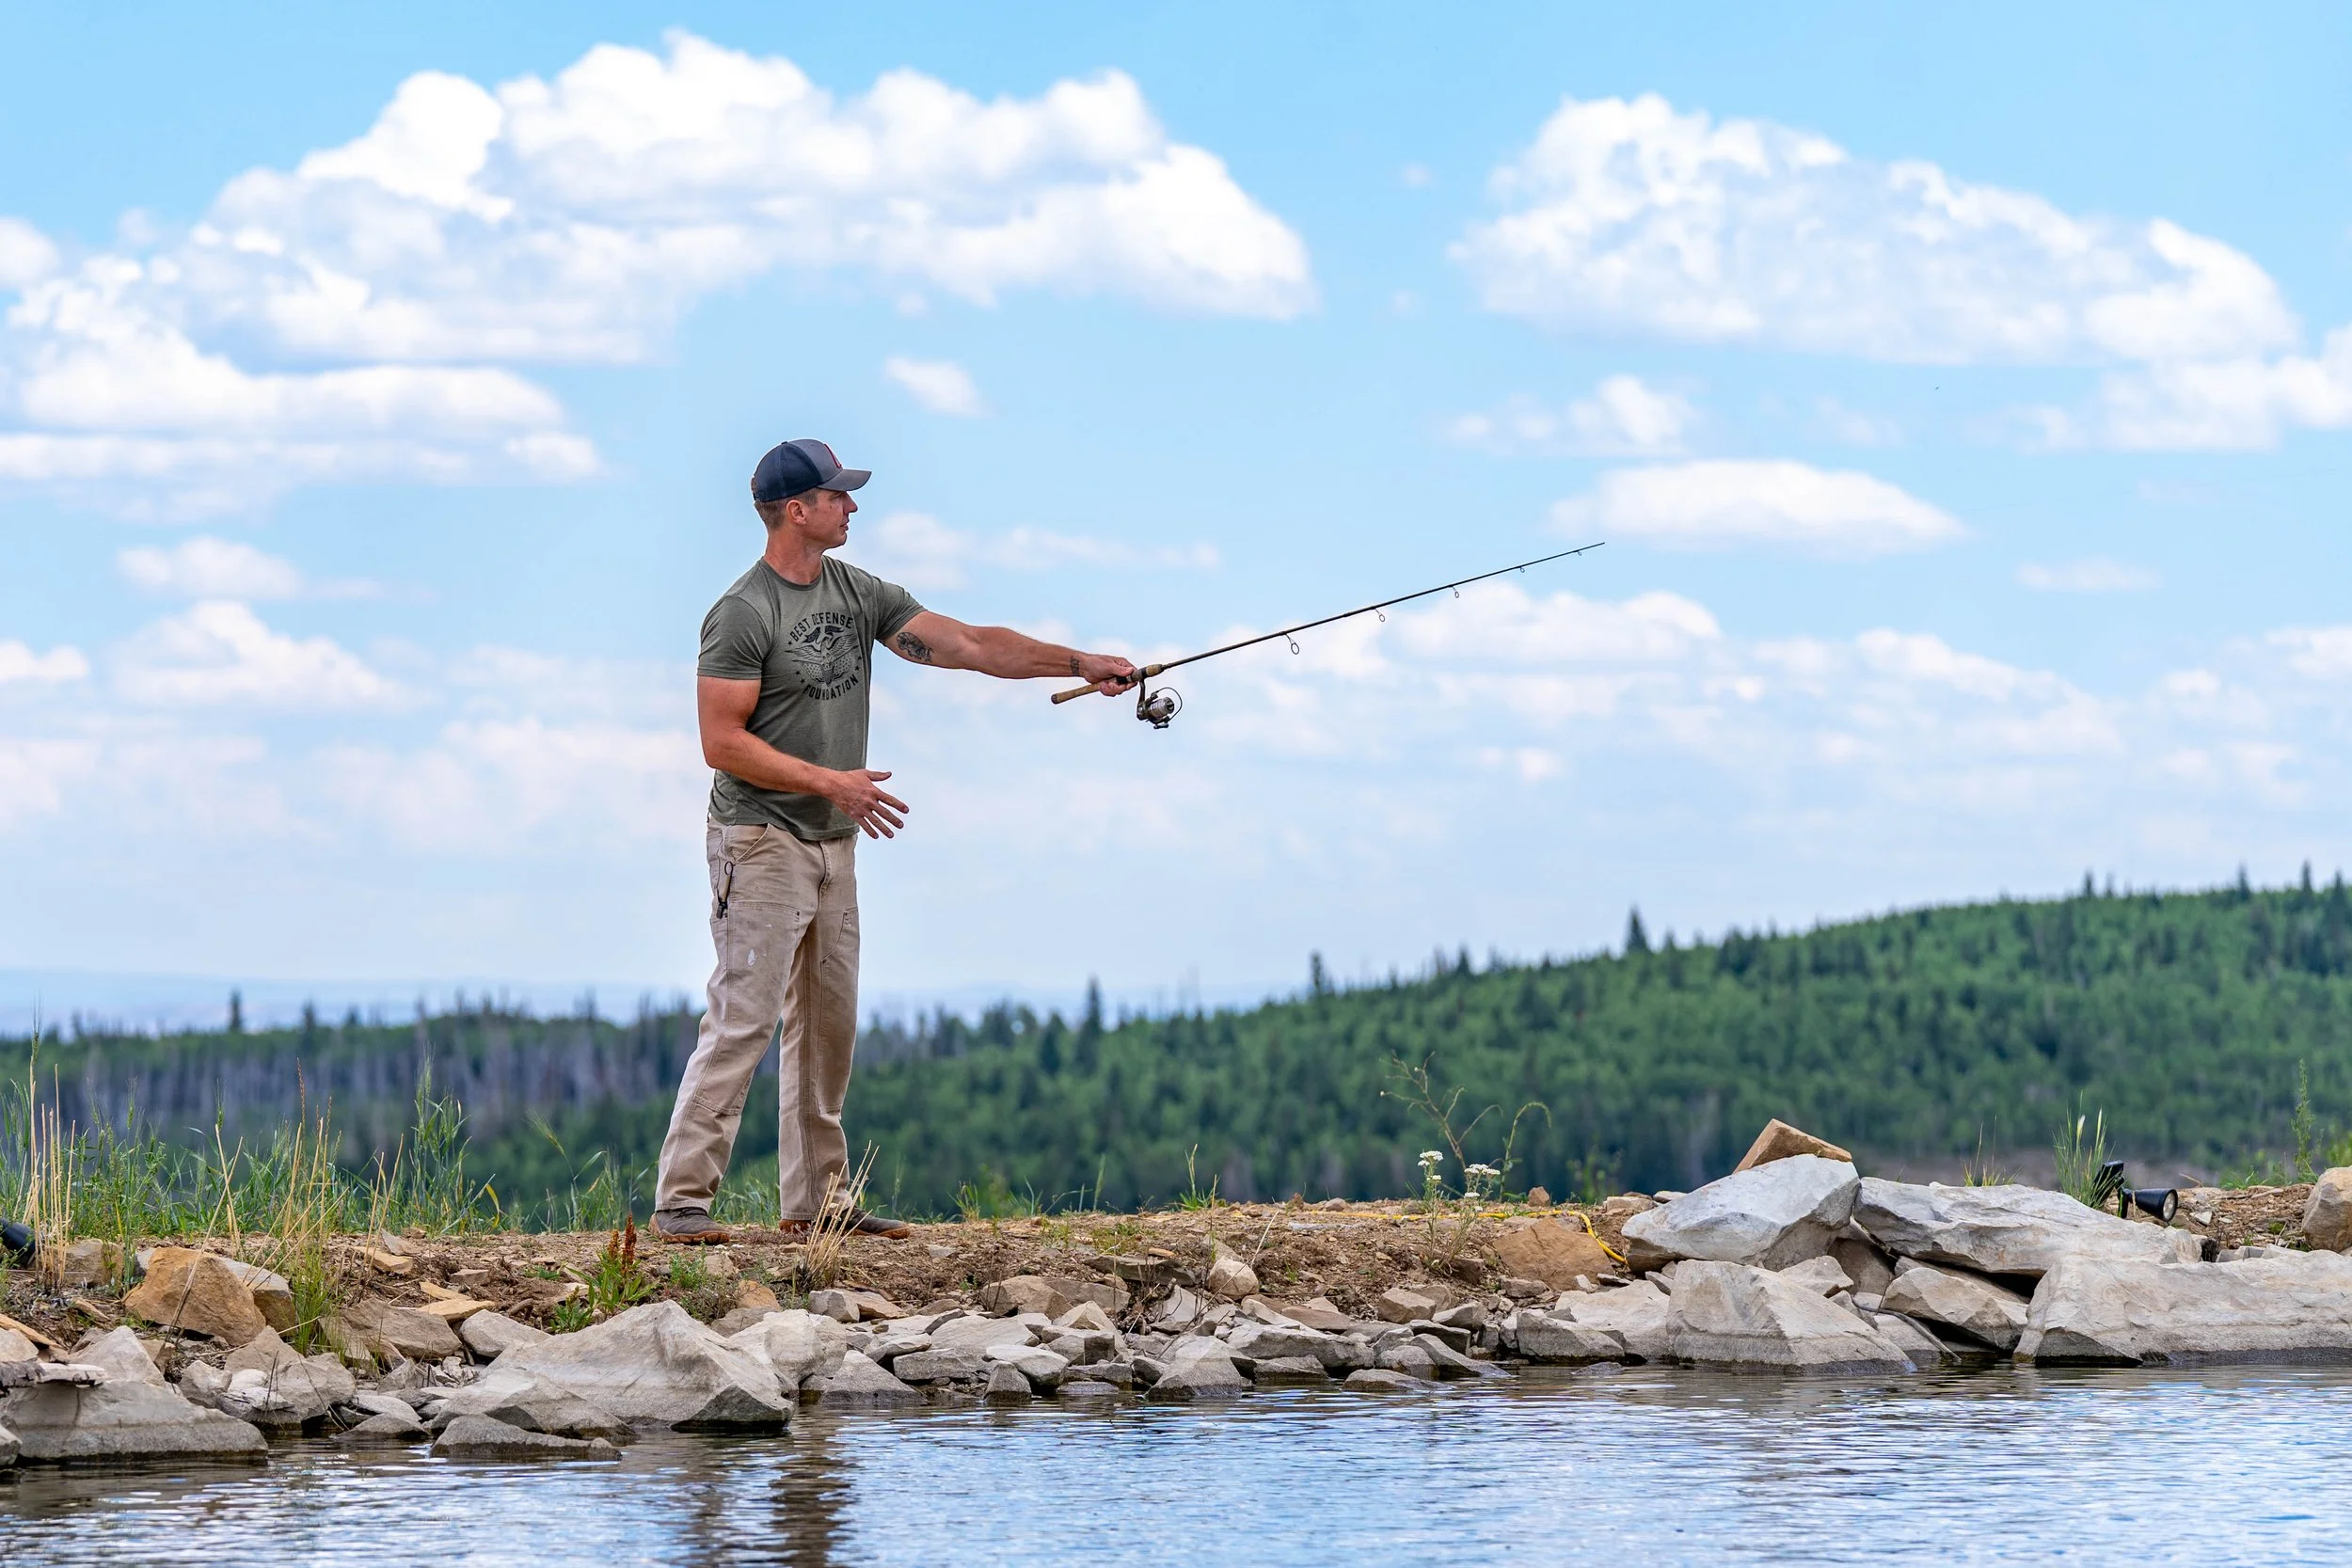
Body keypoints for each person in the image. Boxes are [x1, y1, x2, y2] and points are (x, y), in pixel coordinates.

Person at [652, 438, 1136, 1243]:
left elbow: (969, 644)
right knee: (744, 1017)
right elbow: (720, 741)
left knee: (828, 1026)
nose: (852, 506)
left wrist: (1079, 659)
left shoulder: (857, 590)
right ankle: (682, 1202)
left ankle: (817, 1204)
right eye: (837, 495)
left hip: (835, 842)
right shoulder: (742, 612)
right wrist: (831, 781)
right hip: (760, 839)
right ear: (795, 509)